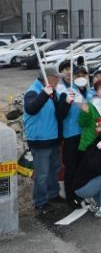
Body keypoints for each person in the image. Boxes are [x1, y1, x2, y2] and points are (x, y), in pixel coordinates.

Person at [23, 66, 62, 213]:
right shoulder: (33, 91)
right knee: (42, 173)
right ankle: (40, 201)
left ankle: (53, 194)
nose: (58, 80)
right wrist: (45, 93)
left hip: (53, 137)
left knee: (54, 169)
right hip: (40, 140)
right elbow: (31, 109)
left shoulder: (53, 91)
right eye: (56, 78)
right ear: (49, 78)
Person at [56, 65, 95, 206]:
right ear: (73, 78)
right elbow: (59, 115)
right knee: (71, 168)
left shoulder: (91, 93)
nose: (81, 78)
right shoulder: (67, 93)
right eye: (78, 76)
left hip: (87, 136)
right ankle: (71, 197)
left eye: (84, 75)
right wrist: (67, 102)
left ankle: (82, 193)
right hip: (71, 136)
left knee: (83, 167)